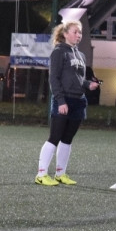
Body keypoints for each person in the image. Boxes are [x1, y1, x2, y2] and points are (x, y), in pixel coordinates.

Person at [35, 20, 100, 186]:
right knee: (54, 137)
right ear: (65, 34)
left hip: (78, 101)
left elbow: (79, 80)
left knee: (67, 139)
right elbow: (54, 79)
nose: (78, 35)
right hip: (63, 100)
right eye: (75, 32)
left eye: (80, 33)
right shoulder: (58, 52)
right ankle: (41, 174)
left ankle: (60, 174)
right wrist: (61, 101)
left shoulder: (81, 55)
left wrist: (89, 84)